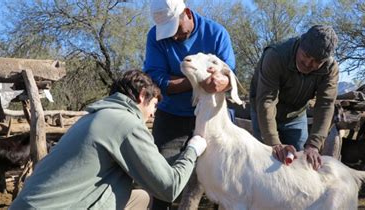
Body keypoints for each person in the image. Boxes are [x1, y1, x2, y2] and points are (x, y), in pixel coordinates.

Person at [9, 70, 207, 210]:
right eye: (154, 105)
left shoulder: (93, 117)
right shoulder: (127, 123)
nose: (153, 115)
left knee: (140, 199)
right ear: (141, 96)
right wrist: (193, 149)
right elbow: (169, 188)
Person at [144, 0, 236, 209]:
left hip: (212, 119)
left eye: (175, 29)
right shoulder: (155, 36)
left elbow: (228, 72)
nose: (173, 36)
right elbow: (156, 79)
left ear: (186, 13)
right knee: (162, 179)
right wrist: (198, 80)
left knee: (221, 178)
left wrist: (222, 81)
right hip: (171, 118)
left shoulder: (216, 33)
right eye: (166, 31)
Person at [250, 25, 339, 170]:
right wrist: (274, 143)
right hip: (263, 110)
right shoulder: (276, 55)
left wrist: (314, 145)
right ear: (300, 44)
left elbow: (325, 105)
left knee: (300, 162)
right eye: (306, 55)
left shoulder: (330, 68)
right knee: (265, 161)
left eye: (317, 61)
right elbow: (267, 100)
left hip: (295, 115)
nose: (309, 63)